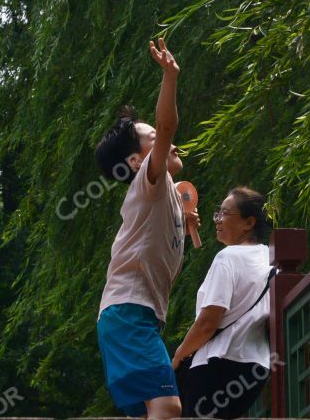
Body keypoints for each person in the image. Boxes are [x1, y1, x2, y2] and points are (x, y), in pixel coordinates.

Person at [95, 38, 198, 419]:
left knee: (151, 413)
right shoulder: (148, 183)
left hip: (133, 319)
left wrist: (183, 224)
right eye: (155, 138)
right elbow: (169, 122)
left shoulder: (164, 192)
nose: (168, 141)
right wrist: (170, 77)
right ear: (137, 161)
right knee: (169, 408)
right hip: (129, 316)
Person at [172, 186, 273, 419]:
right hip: (254, 368)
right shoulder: (270, 257)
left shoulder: (228, 257)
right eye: (218, 213)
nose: (217, 219)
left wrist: (179, 355)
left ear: (249, 223)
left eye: (225, 214)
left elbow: (209, 321)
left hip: (216, 364)